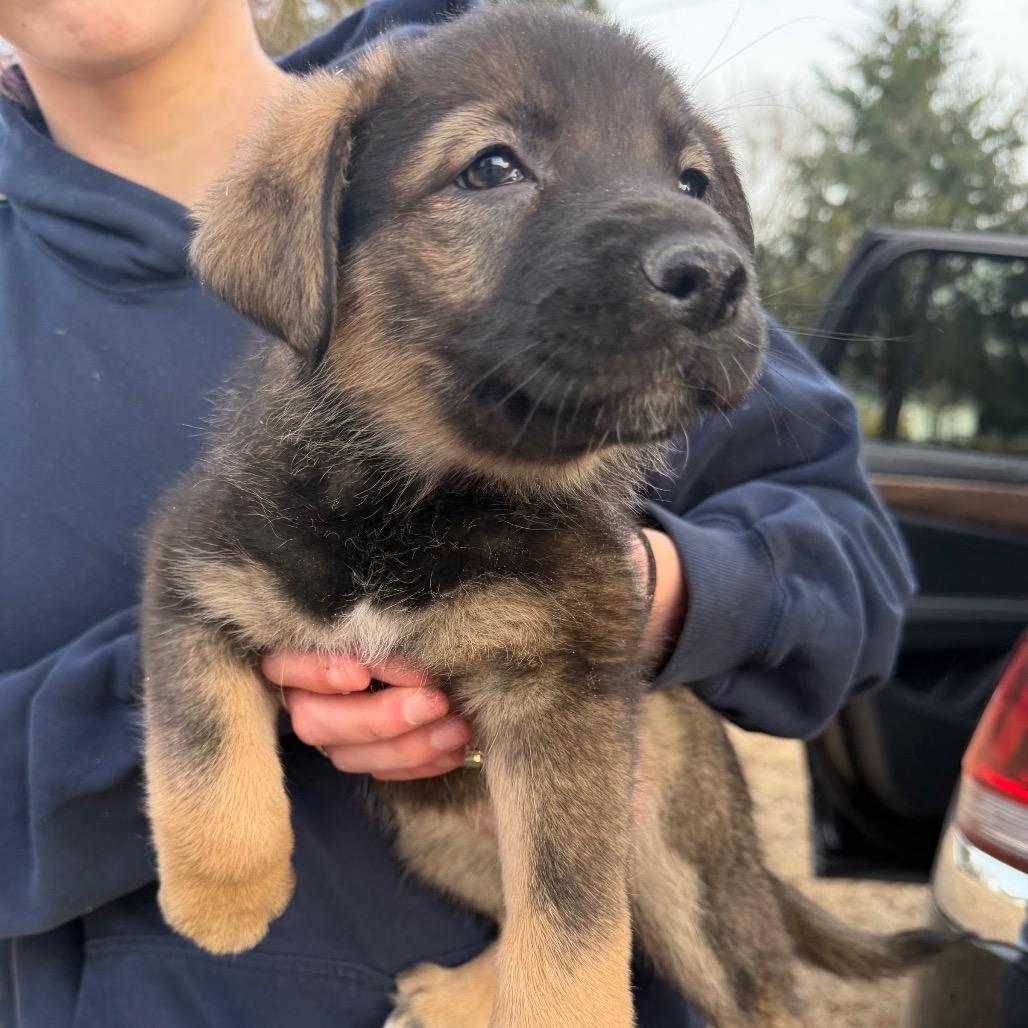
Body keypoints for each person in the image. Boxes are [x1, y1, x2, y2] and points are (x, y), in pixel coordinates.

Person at [0, 1, 915, 1025]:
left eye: (693, 182)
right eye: (490, 169)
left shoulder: (546, 92)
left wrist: (649, 604)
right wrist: (240, 678)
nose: (689, 238)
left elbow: (850, 573)